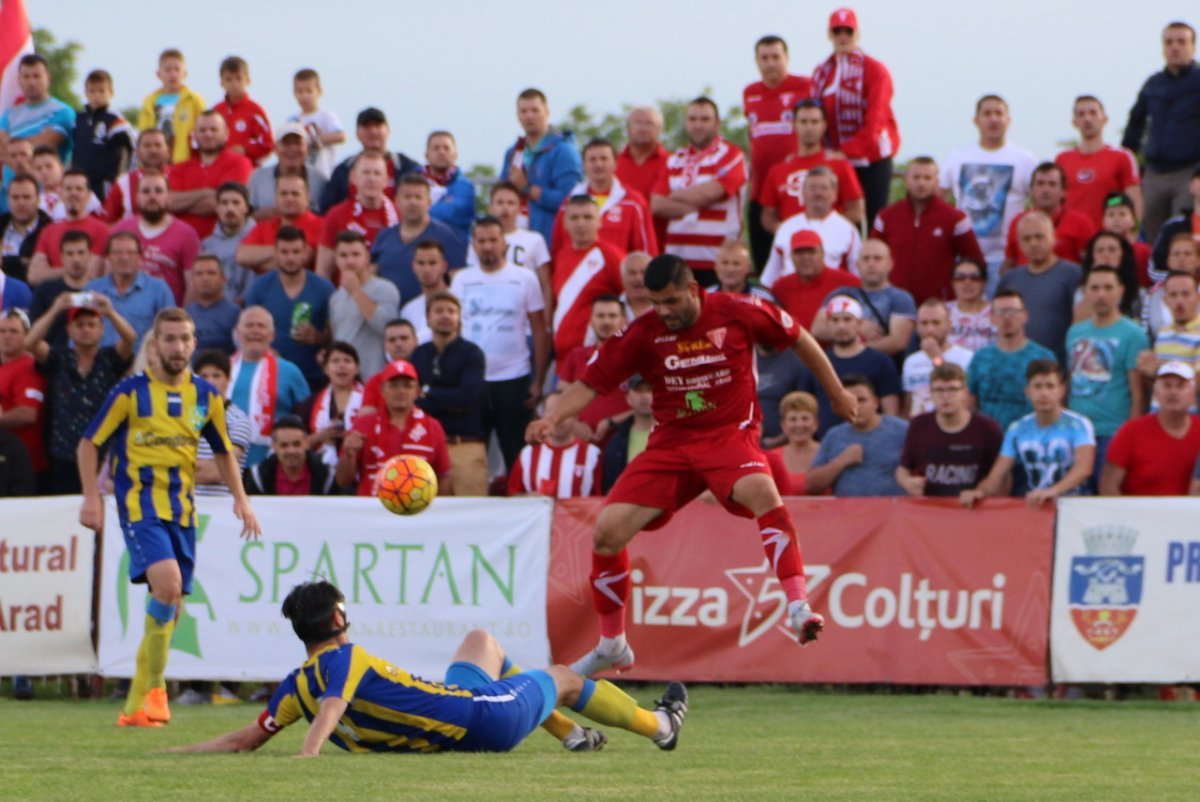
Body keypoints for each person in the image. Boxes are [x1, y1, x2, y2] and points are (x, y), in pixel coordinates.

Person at [526, 254, 860, 674]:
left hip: (729, 436)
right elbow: (591, 382)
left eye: (670, 302)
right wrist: (553, 418)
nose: (663, 312)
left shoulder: (740, 311)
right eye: (655, 302)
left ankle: (797, 605)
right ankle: (612, 644)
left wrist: (835, 393)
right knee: (607, 535)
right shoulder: (642, 332)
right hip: (671, 445)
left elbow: (799, 337)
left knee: (763, 492)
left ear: (692, 290)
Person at [169, 580, 687, 755]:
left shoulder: (293, 686)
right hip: (483, 718)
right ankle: (662, 727)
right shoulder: (346, 659)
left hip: (453, 707)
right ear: (340, 617)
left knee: (482, 642)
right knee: (566, 676)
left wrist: (176, 752)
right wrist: (309, 753)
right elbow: (335, 703)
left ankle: (571, 735)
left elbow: (244, 740)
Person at [78, 308, 261, 727]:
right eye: (170, 339)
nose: (177, 347)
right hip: (141, 508)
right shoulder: (129, 393)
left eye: (185, 339)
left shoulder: (205, 398)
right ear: (155, 344)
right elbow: (89, 444)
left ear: (193, 343)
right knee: (169, 585)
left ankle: (134, 706)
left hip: (183, 512)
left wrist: (242, 499)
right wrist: (91, 497)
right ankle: (158, 690)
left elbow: (223, 452)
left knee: (171, 602)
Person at [451, 217, 549, 472]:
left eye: (493, 240)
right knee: (472, 456)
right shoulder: (462, 279)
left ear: (503, 243)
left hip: (514, 378)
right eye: (481, 241)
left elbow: (539, 330)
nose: (487, 246)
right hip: (473, 381)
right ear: (473, 244)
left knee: (517, 455)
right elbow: (454, 331)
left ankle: (521, 506)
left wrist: (538, 379)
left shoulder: (525, 278)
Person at [28, 290, 136, 489]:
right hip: (64, 455)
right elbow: (31, 342)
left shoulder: (110, 358)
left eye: (91, 324)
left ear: (101, 329)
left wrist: (110, 312)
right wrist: (55, 309)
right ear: (69, 330)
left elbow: (130, 338)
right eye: (79, 325)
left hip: (103, 454)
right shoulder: (59, 358)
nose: (85, 330)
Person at [810, 8, 901, 225]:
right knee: (840, 221)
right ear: (830, 35)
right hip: (837, 160)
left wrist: (847, 151)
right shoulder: (822, 73)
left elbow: (876, 119)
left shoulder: (874, 69)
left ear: (856, 34)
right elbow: (813, 114)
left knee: (875, 221)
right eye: (837, 31)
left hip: (872, 159)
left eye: (848, 32)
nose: (843, 37)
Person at [961, 360, 1095, 507]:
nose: (1044, 393)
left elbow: (1083, 469)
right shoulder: (1017, 429)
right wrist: (979, 492)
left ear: (1061, 390)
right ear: (1027, 391)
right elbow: (997, 475)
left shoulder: (1078, 424)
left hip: (1074, 507)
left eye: (1050, 386)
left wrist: (1052, 491)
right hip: (1038, 507)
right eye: (1037, 386)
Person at [940, 95, 1037, 296]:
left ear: (1008, 120)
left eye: (998, 113)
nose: (993, 119)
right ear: (976, 120)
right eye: (987, 113)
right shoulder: (958, 156)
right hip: (965, 258)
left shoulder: (1025, 160)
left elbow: (1038, 205)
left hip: (1006, 258)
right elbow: (939, 199)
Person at [1066, 265, 1149, 488]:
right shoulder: (1075, 332)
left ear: (1120, 291)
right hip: (1076, 433)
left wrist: (1130, 438)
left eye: (1107, 287)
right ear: (1085, 292)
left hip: (1112, 433)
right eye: (1094, 288)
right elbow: (1069, 382)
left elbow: (1137, 394)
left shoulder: (1133, 334)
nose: (1101, 294)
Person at [651, 97, 746, 285]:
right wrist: (697, 205)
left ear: (717, 123)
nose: (698, 125)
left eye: (705, 119)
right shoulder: (674, 159)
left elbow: (711, 193)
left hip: (719, 261)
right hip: (678, 260)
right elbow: (656, 205)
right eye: (693, 119)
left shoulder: (732, 155)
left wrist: (675, 195)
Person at [1122, 22, 1200, 242]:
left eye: (1181, 41)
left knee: (1180, 237)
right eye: (1169, 42)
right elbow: (1135, 123)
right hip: (1154, 174)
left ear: (1193, 46)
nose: (1175, 47)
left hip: (1187, 172)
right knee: (1153, 241)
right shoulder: (1154, 84)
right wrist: (1128, 162)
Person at [872, 156, 984, 304]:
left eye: (927, 178)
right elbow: (872, 254)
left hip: (939, 306)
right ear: (906, 180)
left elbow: (974, 261)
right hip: (895, 304)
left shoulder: (955, 219)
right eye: (916, 177)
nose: (921, 183)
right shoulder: (886, 217)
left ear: (936, 182)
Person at [744, 34, 815, 267]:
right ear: (756, 61)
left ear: (787, 58)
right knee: (763, 260)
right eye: (765, 57)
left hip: (792, 187)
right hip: (760, 189)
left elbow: (819, 124)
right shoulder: (750, 92)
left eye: (776, 56)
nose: (771, 63)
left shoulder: (804, 86)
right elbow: (751, 134)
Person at [409, 291, 488, 496]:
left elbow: (466, 398)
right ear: (428, 318)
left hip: (464, 445)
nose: (445, 315)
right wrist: (447, 398)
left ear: (459, 318)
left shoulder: (472, 353)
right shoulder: (418, 354)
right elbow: (412, 401)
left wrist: (428, 391)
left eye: (451, 311)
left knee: (472, 514)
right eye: (439, 311)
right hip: (425, 447)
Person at [336, 360, 451, 496]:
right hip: (372, 510)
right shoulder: (363, 425)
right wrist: (349, 455)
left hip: (416, 511)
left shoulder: (433, 427)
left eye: (407, 386)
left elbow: (443, 477)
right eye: (394, 386)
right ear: (382, 390)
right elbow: (343, 481)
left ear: (417, 391)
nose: (401, 391)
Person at [244, 226, 336, 388]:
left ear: (305, 253)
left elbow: (336, 334)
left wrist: (318, 337)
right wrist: (265, 350)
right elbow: (245, 329)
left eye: (295, 252)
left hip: (313, 376)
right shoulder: (259, 287)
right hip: (269, 374)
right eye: (285, 252)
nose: (290, 258)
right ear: (275, 253)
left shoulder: (324, 288)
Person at [760, 100, 865, 236]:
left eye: (814, 122)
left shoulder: (840, 166)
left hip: (830, 242)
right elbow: (767, 215)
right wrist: (783, 231)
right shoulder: (778, 170)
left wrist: (825, 229)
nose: (809, 127)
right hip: (793, 246)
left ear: (824, 125)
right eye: (803, 122)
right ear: (794, 125)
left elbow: (856, 210)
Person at [896, 363, 1002, 497]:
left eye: (952, 389)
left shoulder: (987, 428)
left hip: (972, 509)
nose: (945, 396)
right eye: (939, 390)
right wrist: (907, 482)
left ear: (965, 393)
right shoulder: (919, 425)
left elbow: (1001, 475)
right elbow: (903, 468)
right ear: (931, 394)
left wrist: (981, 492)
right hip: (930, 510)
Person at [227, 306, 311, 467]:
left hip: (271, 464)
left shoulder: (290, 371)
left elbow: (306, 416)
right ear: (238, 332)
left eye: (261, 326)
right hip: (225, 462)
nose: (255, 331)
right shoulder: (221, 369)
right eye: (249, 325)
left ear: (272, 335)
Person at [1101, 361, 1200, 496]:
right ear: (1155, 392)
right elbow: (1108, 485)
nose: (1173, 392)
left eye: (1180, 386)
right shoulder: (1131, 431)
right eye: (1167, 386)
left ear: (1193, 395)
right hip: (1139, 513)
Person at [996, 212, 1082, 364]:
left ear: (1053, 237)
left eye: (1039, 236)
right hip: (1017, 365)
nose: (1034, 243)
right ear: (1019, 244)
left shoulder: (1073, 275)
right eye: (1027, 239)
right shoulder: (1010, 279)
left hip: (1058, 366)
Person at [499, 88, 582, 247]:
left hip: (551, 240)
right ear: (517, 115)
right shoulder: (514, 152)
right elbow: (500, 194)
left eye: (535, 110)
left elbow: (570, 201)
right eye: (524, 111)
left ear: (547, 112)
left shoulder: (563, 151)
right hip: (516, 241)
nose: (529, 116)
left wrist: (529, 190)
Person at [967, 289, 1057, 433]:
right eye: (1001, 312)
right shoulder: (981, 358)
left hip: (1031, 436)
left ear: (1025, 316)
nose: (1007, 318)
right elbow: (970, 403)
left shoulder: (1043, 357)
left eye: (1013, 312)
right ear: (992, 318)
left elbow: (1054, 403)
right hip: (989, 437)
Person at [372, 174, 467, 307]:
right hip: (390, 318)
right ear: (397, 201)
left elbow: (458, 280)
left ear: (429, 202)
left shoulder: (447, 237)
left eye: (418, 197)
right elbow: (372, 278)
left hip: (430, 316)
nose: (413, 202)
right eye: (407, 197)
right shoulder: (384, 237)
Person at [810, 239, 915, 359]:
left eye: (877, 258)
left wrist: (855, 349)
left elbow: (898, 342)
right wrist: (857, 328)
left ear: (890, 264)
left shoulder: (900, 298)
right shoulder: (841, 294)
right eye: (866, 259)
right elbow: (817, 329)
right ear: (857, 265)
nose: (871, 264)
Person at [551, 138, 656, 257]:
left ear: (616, 163)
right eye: (592, 159)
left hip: (617, 273)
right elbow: (558, 248)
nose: (598, 164)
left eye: (604, 159)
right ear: (584, 165)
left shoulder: (633, 203)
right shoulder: (569, 202)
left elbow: (647, 252)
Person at [548, 196, 625, 357]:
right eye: (574, 218)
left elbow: (626, 301)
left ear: (599, 221)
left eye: (587, 217)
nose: (581, 223)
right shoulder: (561, 256)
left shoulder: (611, 256)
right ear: (564, 222)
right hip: (562, 359)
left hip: (594, 358)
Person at [812, 295, 900, 435]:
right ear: (828, 324)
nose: (841, 326)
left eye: (847, 319)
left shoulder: (880, 361)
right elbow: (807, 405)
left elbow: (891, 411)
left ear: (859, 323)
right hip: (825, 442)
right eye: (835, 320)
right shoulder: (817, 361)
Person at [806, 374, 906, 497]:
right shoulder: (833, 435)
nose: (856, 406)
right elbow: (811, 485)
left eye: (862, 400)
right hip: (847, 513)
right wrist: (841, 461)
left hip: (893, 512)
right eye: (849, 401)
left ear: (875, 402)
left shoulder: (902, 430)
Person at [111, 172, 201, 305]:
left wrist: (180, 320)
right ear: (137, 198)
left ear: (168, 197)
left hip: (164, 316)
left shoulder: (187, 234)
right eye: (146, 191)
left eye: (158, 191)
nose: (152, 196)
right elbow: (108, 275)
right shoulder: (120, 229)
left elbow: (192, 284)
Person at [761, 167, 862, 287]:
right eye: (812, 188)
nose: (818, 193)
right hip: (790, 296)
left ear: (834, 194)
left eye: (824, 188)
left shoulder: (847, 230)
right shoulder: (786, 227)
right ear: (803, 193)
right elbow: (770, 277)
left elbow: (858, 275)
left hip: (832, 296)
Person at [1055, 96, 1142, 228]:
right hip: (1072, 237)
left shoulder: (1121, 157)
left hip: (1107, 240)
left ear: (1104, 119)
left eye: (1093, 113)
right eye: (1081, 114)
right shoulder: (1062, 159)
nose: (1087, 119)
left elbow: (1134, 200)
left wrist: (1132, 232)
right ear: (1074, 122)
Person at [556, 294, 630, 445]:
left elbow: (649, 404)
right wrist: (572, 423)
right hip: (581, 445)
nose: (606, 321)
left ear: (624, 321)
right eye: (600, 316)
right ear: (591, 320)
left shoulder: (636, 359)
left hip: (623, 441)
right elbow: (558, 395)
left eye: (612, 316)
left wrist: (612, 422)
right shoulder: (576, 356)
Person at [167, 111, 254, 239]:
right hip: (182, 242)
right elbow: (168, 202)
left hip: (224, 243)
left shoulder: (240, 162)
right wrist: (205, 193)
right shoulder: (180, 168)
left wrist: (184, 204)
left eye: (214, 129)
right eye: (202, 130)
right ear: (195, 135)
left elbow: (223, 204)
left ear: (226, 134)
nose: (208, 134)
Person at [318, 107, 420, 213]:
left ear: (388, 131)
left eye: (378, 125)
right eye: (366, 126)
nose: (373, 131)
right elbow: (327, 209)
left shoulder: (407, 167)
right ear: (357, 134)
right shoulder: (343, 169)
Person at [316, 152, 398, 280]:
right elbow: (323, 268)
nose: (371, 179)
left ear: (386, 180)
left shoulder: (399, 214)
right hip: (346, 293)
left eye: (377, 173)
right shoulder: (336, 214)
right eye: (366, 173)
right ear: (353, 177)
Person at [329, 230, 400, 378]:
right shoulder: (336, 297)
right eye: (343, 255)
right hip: (345, 380)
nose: (349, 261)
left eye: (355, 255)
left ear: (366, 257)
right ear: (336, 259)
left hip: (373, 377)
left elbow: (386, 327)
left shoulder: (385, 289)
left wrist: (356, 291)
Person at [1002, 162, 1098, 271]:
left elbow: (1091, 265)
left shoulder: (1081, 223)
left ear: (1063, 191)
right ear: (1031, 190)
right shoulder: (1018, 222)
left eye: (1052, 184)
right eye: (1040, 183)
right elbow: (1009, 263)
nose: (1046, 190)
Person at [85, 232, 175, 347]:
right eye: (118, 253)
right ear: (108, 257)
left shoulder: (159, 290)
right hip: (101, 362)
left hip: (143, 362)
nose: (124, 257)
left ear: (140, 257)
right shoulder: (92, 289)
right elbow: (78, 329)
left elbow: (171, 331)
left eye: (130, 253)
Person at [509, 391, 604, 498]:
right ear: (542, 416)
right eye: (551, 413)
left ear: (576, 416)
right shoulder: (527, 454)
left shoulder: (592, 454)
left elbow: (600, 499)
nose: (558, 421)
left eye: (565, 414)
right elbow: (513, 495)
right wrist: (528, 498)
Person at [27, 169, 108, 283]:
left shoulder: (101, 230)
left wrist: (50, 271)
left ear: (89, 195)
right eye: (68, 189)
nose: (73, 193)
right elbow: (34, 276)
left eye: (79, 189)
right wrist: (74, 271)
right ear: (61, 194)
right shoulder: (48, 231)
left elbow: (91, 274)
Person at [192, 349, 254, 497]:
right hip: (188, 506)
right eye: (204, 376)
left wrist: (177, 472)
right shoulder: (187, 417)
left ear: (228, 379)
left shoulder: (238, 421)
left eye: (216, 375)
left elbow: (220, 471)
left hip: (223, 506)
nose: (210, 381)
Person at [772, 229, 861, 330]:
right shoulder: (780, 287)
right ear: (791, 256)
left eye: (811, 252)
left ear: (823, 253)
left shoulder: (848, 283)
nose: (805, 258)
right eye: (799, 253)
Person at [293, 342, 364, 467]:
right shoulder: (310, 403)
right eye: (335, 361)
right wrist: (321, 436)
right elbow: (295, 443)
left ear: (357, 368)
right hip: (322, 470)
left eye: (347, 361)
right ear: (326, 369)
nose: (341, 366)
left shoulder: (369, 400)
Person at [901, 299, 974, 417]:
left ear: (948, 324)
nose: (930, 329)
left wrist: (936, 358)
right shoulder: (911, 361)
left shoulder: (966, 358)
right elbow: (908, 403)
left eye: (936, 323)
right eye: (924, 323)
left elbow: (967, 401)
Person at [237, 173, 323, 271]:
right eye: (283, 194)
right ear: (275, 197)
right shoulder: (264, 226)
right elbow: (241, 256)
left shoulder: (321, 225)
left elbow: (301, 261)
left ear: (307, 198)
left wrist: (258, 262)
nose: (289, 199)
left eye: (295, 194)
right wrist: (280, 251)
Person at [0, 54, 76, 164]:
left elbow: (44, 145)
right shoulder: (9, 115)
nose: (31, 82)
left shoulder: (62, 112)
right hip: (12, 181)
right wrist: (30, 142)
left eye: (37, 76)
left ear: (48, 78)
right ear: (19, 80)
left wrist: (11, 145)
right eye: (26, 77)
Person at [0, 309, 47, 487]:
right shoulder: (5, 367)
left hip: (24, 465)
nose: (7, 336)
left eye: (14, 331)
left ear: (27, 336)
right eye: (2, 331)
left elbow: (28, 413)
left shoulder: (29, 367)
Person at [71, 69, 134, 201]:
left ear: (111, 93)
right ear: (86, 93)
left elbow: (130, 147)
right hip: (81, 180)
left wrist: (119, 175)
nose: (96, 96)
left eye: (101, 91)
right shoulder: (78, 119)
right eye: (92, 91)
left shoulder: (115, 120)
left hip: (106, 181)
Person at [27, 230, 93, 350]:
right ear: (62, 257)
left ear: (89, 256)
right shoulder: (45, 290)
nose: (76, 259)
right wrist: (55, 310)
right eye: (70, 254)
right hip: (53, 360)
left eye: (81, 253)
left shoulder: (99, 290)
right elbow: (31, 335)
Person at [138, 49, 205, 164]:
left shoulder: (193, 99)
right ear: (159, 74)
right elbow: (144, 131)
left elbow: (203, 127)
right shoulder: (149, 102)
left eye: (177, 69)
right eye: (168, 70)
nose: (173, 74)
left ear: (184, 73)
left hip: (183, 159)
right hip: (156, 159)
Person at [242, 415, 337, 496]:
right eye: (284, 445)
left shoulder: (326, 474)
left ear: (307, 443)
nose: (291, 450)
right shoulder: (259, 476)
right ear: (274, 446)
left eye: (296, 444)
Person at [247, 123, 328, 217]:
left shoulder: (319, 179)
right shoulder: (258, 177)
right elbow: (246, 216)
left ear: (307, 148)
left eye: (298, 143)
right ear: (275, 148)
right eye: (287, 143)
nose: (293, 148)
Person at [212, 56, 274, 166]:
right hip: (220, 170)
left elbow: (268, 143)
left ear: (248, 81)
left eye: (239, 78)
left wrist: (245, 149)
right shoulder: (216, 111)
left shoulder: (255, 111)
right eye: (229, 79)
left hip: (248, 171)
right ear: (221, 82)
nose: (234, 84)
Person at [101, 128, 172, 223]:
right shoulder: (123, 182)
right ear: (137, 152)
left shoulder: (182, 177)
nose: (153, 150)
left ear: (168, 151)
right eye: (147, 146)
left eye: (158, 145)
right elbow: (105, 221)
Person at [201, 182, 256, 305]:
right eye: (224, 203)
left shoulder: (258, 238)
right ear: (217, 208)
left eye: (236, 203)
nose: (230, 208)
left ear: (246, 207)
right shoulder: (207, 245)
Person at [287, 68, 345, 179]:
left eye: (309, 91)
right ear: (294, 93)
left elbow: (340, 135)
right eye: (300, 91)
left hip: (323, 173)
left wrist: (317, 139)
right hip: (300, 175)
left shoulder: (326, 116)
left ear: (319, 91)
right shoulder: (292, 120)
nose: (304, 96)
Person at [756, 341, 814, 448]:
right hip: (748, 442)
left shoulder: (796, 361)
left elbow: (805, 407)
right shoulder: (746, 359)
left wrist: (777, 440)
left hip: (784, 444)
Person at [602, 375, 654, 493]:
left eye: (650, 390)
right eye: (639, 391)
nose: (645, 396)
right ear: (628, 398)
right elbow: (610, 488)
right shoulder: (616, 443)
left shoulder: (675, 435)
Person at [422, 131, 475, 242]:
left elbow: (457, 213)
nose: (441, 152)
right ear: (426, 155)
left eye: (446, 148)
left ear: (455, 154)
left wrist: (420, 211)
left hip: (455, 248)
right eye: (436, 148)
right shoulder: (414, 182)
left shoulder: (465, 186)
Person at [1149, 166, 1200, 280]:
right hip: (1177, 290)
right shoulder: (1173, 226)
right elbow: (1155, 267)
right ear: (1191, 186)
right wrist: (1179, 278)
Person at [358, 318, 419, 412]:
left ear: (416, 341)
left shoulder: (426, 374)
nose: (398, 344)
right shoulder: (375, 382)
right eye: (392, 340)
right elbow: (365, 421)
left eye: (404, 338)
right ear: (385, 345)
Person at [1, 173, 52, 284]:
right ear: (8, 200)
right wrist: (20, 261)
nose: (21, 203)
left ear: (38, 199)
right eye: (15, 197)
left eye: (27, 197)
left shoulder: (50, 230)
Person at [616, 106, 670, 208]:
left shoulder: (672, 162)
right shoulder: (613, 162)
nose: (643, 128)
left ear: (659, 130)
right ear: (628, 129)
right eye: (638, 123)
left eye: (649, 124)